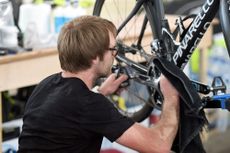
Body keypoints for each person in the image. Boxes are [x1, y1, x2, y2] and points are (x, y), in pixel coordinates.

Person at [18, 15, 180, 153]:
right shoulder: (89, 104)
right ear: (95, 57)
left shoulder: (46, 85)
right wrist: (171, 95)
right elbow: (159, 145)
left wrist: (101, 91)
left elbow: (72, 113)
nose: (115, 54)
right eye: (113, 49)